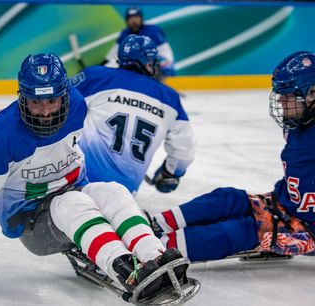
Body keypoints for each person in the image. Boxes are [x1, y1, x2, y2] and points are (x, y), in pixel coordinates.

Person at [0, 53, 189, 300]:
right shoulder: (0, 138)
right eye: (35, 103)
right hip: (30, 223)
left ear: (65, 94)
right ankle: (127, 271)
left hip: (75, 191)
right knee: (71, 205)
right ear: (22, 96)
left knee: (113, 190)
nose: (44, 113)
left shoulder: (77, 104)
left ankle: (156, 256)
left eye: (52, 101)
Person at [146, 51, 315, 262]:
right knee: (227, 198)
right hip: (285, 202)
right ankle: (150, 228)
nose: (280, 100)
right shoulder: (298, 124)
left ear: (312, 94)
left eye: (288, 94)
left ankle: (151, 252)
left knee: (239, 231)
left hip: (309, 227)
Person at [72, 34, 195, 194]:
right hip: (125, 193)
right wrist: (170, 173)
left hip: (77, 181)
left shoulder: (95, 76)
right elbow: (184, 149)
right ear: (148, 61)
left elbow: (56, 103)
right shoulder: (170, 98)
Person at [103, 6, 175, 78]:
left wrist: (165, 72)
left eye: (136, 17)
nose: (133, 21)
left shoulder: (153, 31)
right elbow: (112, 56)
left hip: (153, 73)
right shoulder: (124, 34)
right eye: (130, 18)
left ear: (141, 18)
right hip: (132, 73)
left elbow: (165, 55)